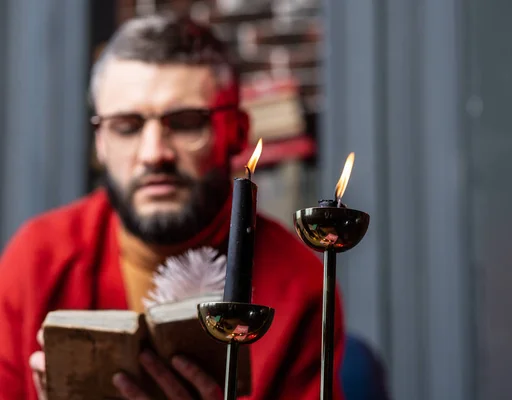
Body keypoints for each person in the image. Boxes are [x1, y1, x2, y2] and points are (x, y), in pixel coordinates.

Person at [0, 13, 345, 400]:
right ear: (99, 141)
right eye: (127, 126)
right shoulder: (36, 261)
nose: (153, 154)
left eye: (184, 123)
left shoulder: (298, 284)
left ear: (237, 132)